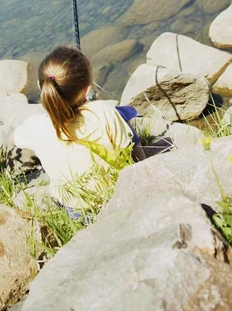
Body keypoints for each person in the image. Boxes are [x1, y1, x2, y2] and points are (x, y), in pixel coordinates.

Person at [14, 46, 145, 212]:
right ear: (87, 90)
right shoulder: (103, 112)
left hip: (74, 210)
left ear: (42, 88)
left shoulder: (34, 125)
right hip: (117, 198)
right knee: (122, 117)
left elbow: (15, 138)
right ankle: (145, 166)